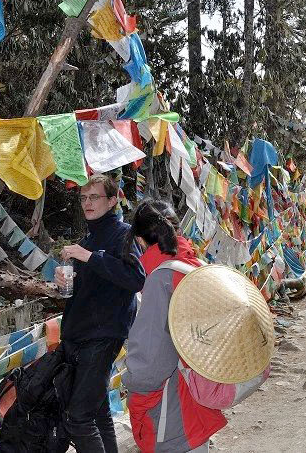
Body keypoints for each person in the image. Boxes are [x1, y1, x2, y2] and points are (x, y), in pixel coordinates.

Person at [123, 199, 272, 452]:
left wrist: (133, 385)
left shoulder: (161, 279)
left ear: (140, 241)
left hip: (172, 408)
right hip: (200, 399)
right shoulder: (198, 267)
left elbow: (150, 363)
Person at [53, 174, 146, 453]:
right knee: (98, 412)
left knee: (78, 418)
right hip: (77, 333)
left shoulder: (123, 234)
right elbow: (89, 285)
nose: (87, 203)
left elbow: (136, 278)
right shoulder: (88, 238)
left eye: (94, 197)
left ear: (113, 200)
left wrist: (89, 257)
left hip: (103, 335)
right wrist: (63, 280)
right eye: (83, 197)